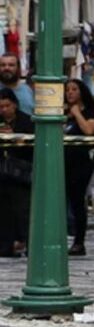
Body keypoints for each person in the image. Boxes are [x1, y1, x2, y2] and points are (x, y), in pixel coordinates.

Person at [64, 79, 94, 256]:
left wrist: (77, 113)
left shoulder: (90, 112)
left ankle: (79, 241)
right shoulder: (62, 112)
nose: (70, 93)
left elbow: (88, 130)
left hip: (80, 161)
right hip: (62, 159)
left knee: (77, 199)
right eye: (67, 90)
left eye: (74, 89)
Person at [0, 88, 33, 257]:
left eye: (7, 106)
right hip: (2, 172)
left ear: (14, 104)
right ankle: (6, 246)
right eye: (1, 107)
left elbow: (31, 148)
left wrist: (15, 138)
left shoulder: (26, 122)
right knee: (4, 212)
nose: (4, 110)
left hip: (20, 172)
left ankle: (29, 244)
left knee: (23, 210)